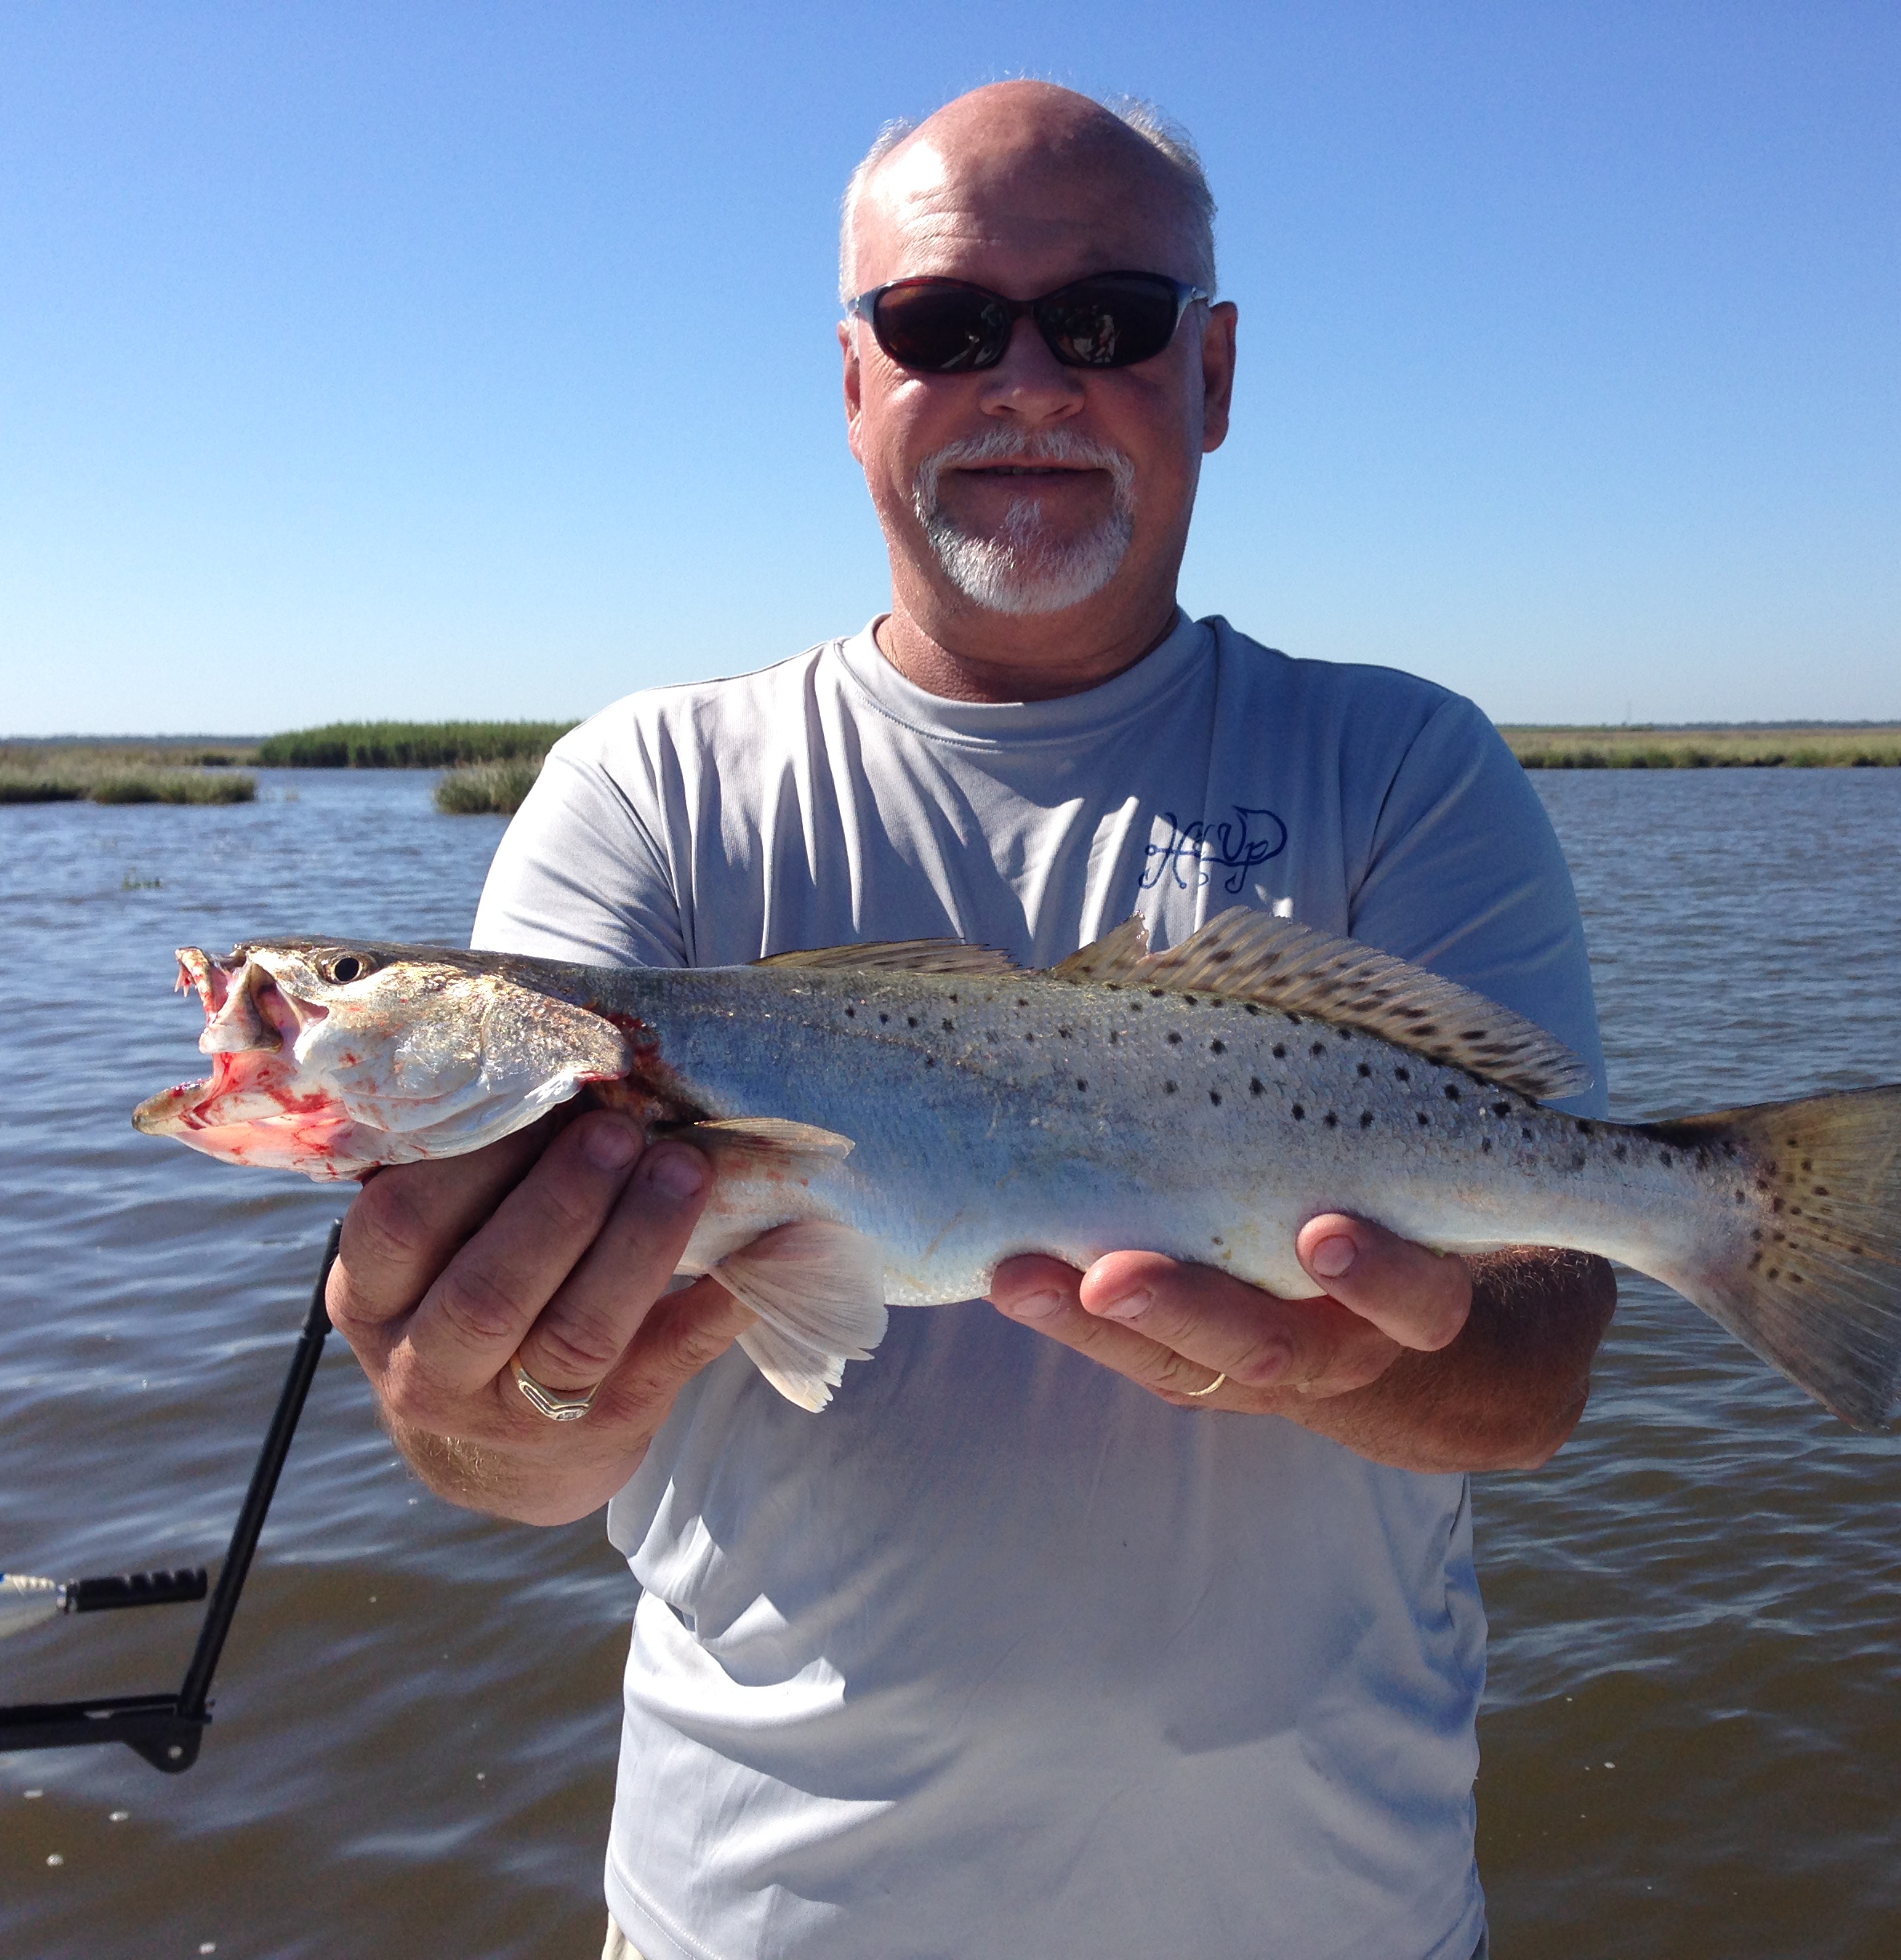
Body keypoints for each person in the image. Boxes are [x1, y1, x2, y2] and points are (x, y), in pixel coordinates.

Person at [326, 81, 1618, 1960]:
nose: (1027, 382)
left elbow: (1540, 1371)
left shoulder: (1405, 764)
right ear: (853, 381)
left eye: (1108, 320)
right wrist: (484, 1391)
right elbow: (514, 1465)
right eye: (943, 327)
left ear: (1218, 373)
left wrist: (1366, 1363)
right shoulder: (648, 792)